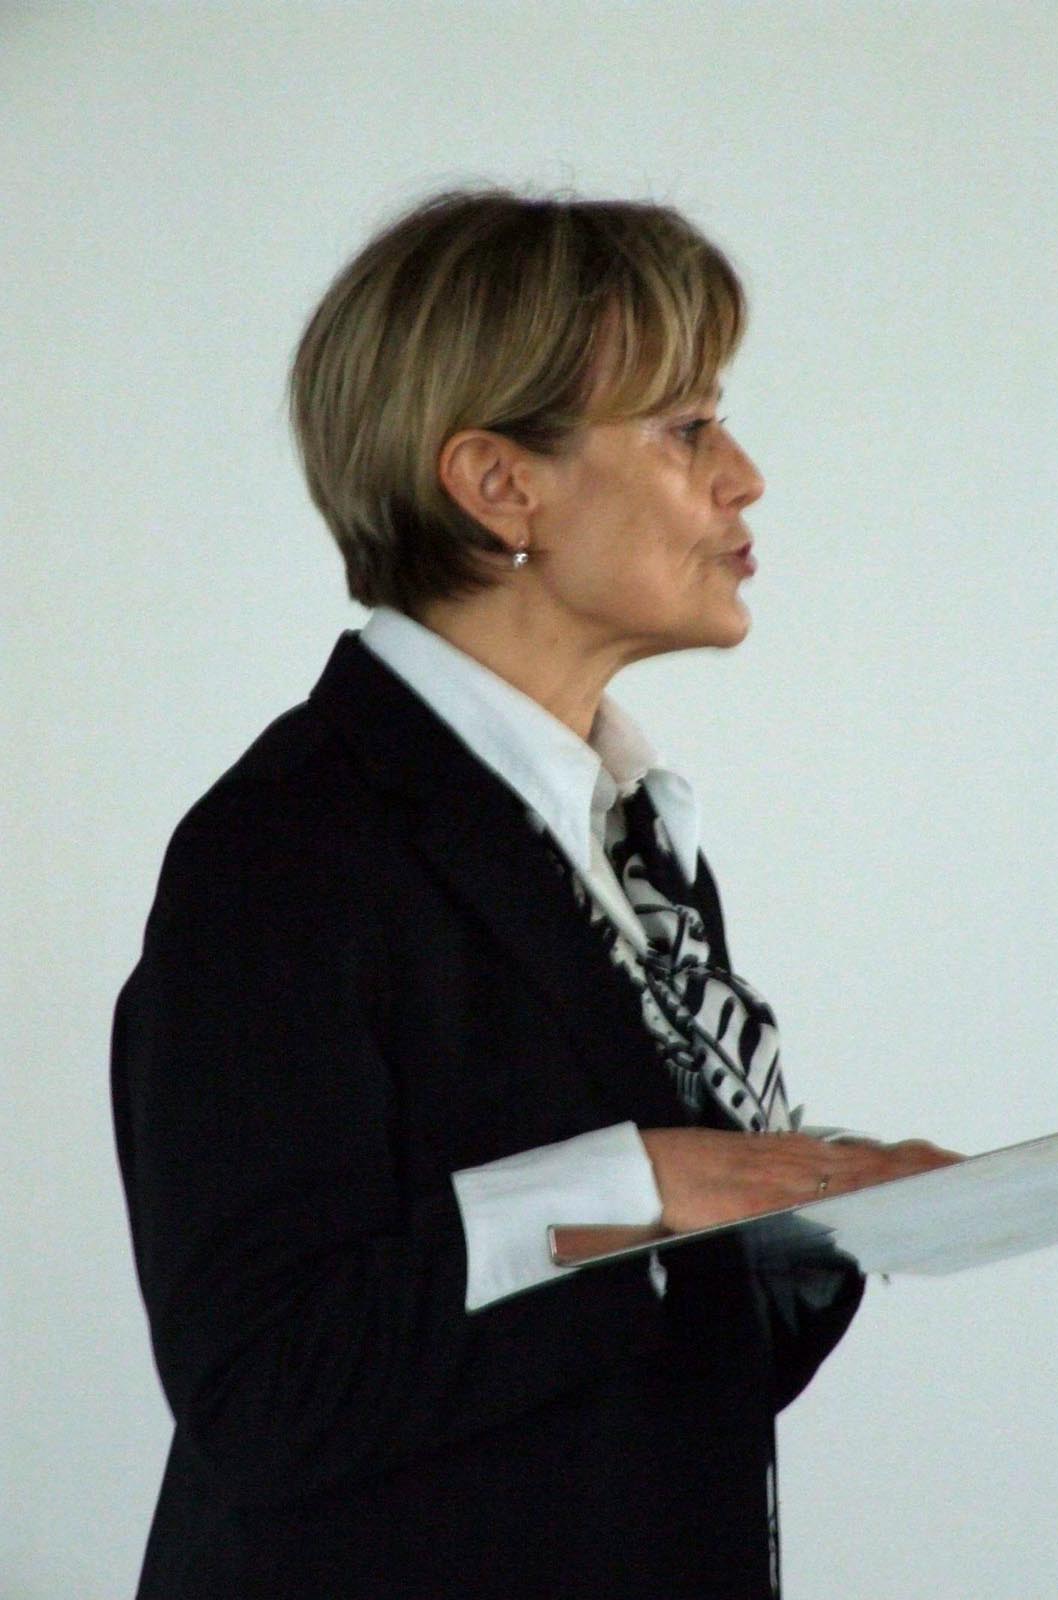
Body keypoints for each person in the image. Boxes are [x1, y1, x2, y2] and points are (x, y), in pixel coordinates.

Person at [110, 184, 957, 1600]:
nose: (745, 477)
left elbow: (629, 1368)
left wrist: (817, 1223)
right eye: (686, 428)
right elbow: (265, 1384)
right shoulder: (285, 850)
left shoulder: (630, 837)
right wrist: (643, 1187)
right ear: (499, 484)